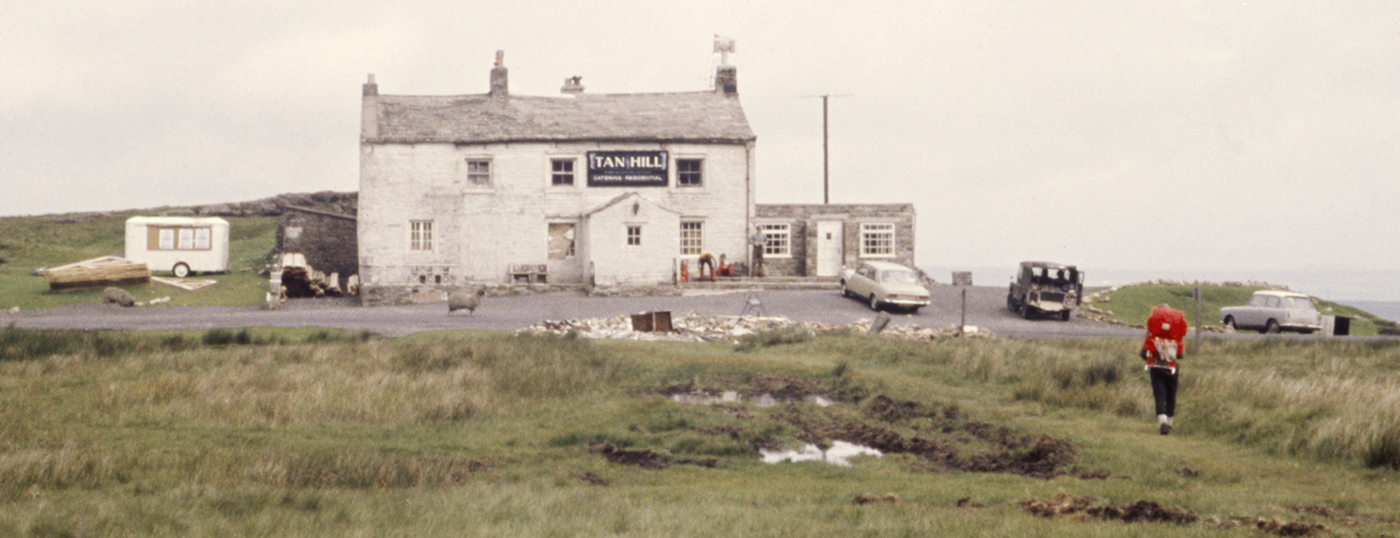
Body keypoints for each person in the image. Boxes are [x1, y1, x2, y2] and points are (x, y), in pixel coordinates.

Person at [1140, 304, 1187, 435]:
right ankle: (1169, 425)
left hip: (1155, 368)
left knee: (1159, 396)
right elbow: (1180, 355)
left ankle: (1163, 422)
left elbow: (1143, 352)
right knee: (1171, 397)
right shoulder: (1175, 333)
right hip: (1172, 369)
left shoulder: (1152, 332)